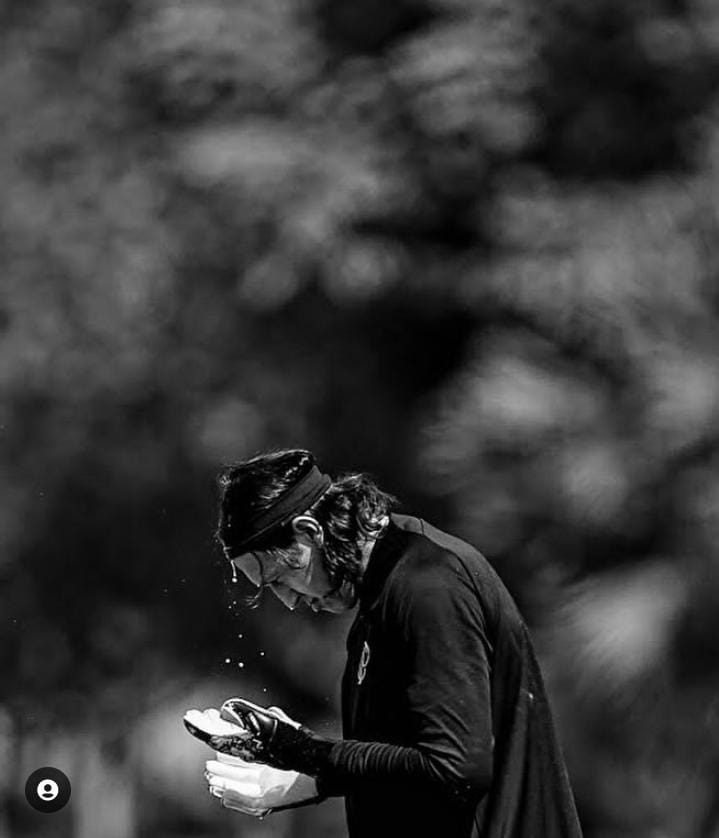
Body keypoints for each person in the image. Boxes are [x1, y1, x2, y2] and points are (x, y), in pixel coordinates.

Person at [198, 448, 583, 838]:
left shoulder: (428, 587)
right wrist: (306, 775)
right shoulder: (379, 600)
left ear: (310, 531)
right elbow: (403, 766)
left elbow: (455, 770)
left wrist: (308, 753)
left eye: (280, 577)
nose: (290, 601)